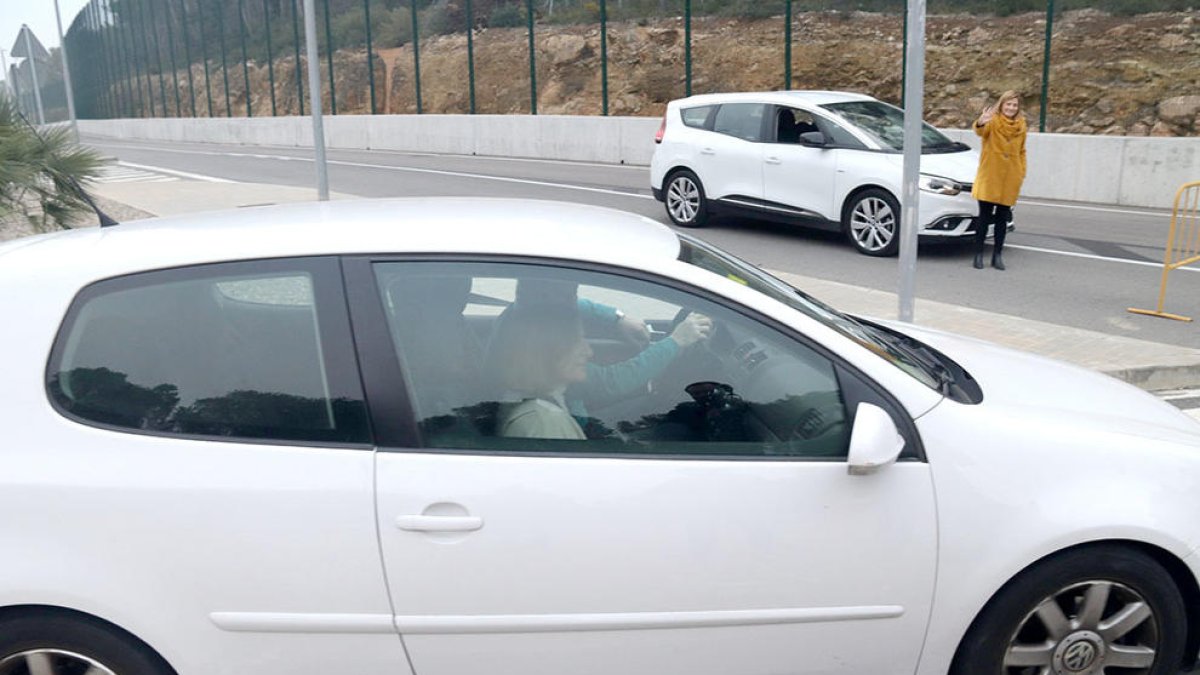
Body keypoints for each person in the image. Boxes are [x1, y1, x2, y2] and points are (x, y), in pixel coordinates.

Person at [489, 303, 711, 440]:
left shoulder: (550, 396)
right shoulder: (543, 424)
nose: (588, 351)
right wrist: (677, 341)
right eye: (577, 342)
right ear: (548, 354)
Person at [970, 90, 1027, 271]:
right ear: (1001, 105)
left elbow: (1022, 150)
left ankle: (997, 255)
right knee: (984, 218)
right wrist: (981, 121)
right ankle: (978, 254)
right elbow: (980, 131)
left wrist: (1021, 171)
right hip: (990, 175)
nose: (1011, 108)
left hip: (1011, 177)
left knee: (1003, 218)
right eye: (1008, 104)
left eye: (1014, 105)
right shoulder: (992, 121)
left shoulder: (1021, 125)